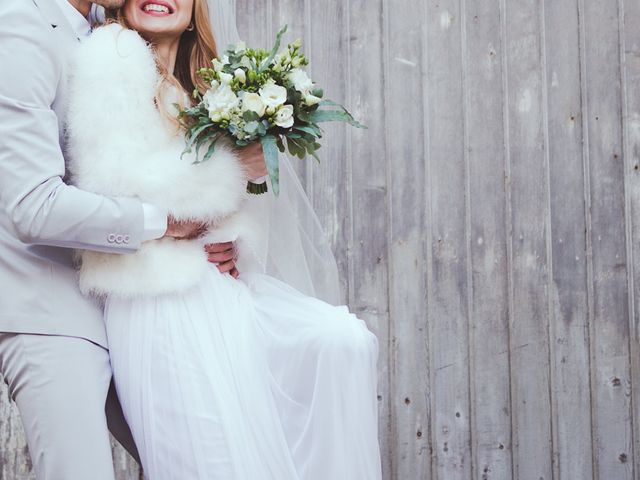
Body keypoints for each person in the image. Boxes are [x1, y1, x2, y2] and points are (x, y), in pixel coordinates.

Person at [65, 0, 383, 478]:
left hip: (217, 295)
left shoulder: (204, 88)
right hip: (157, 300)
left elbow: (220, 207)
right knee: (210, 461)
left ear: (196, 10)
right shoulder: (111, 53)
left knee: (340, 342)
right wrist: (231, 166)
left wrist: (230, 235)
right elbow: (113, 180)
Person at [0, 0, 266, 478]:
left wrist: (216, 237)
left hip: (130, 302)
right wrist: (163, 223)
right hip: (50, 308)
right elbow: (31, 205)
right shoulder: (20, 26)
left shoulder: (109, 31)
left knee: (209, 459)